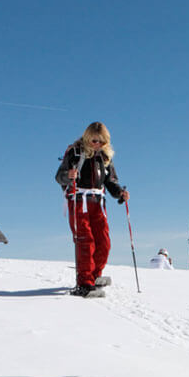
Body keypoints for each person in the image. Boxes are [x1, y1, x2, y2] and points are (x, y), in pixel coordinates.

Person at [55, 122, 129, 297]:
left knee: (103, 242)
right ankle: (84, 282)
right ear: (88, 138)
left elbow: (110, 181)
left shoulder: (104, 157)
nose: (97, 144)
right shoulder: (75, 152)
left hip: (98, 202)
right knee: (85, 240)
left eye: (102, 142)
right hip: (80, 201)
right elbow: (59, 177)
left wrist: (119, 193)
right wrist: (68, 175)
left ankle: (95, 276)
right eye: (95, 140)